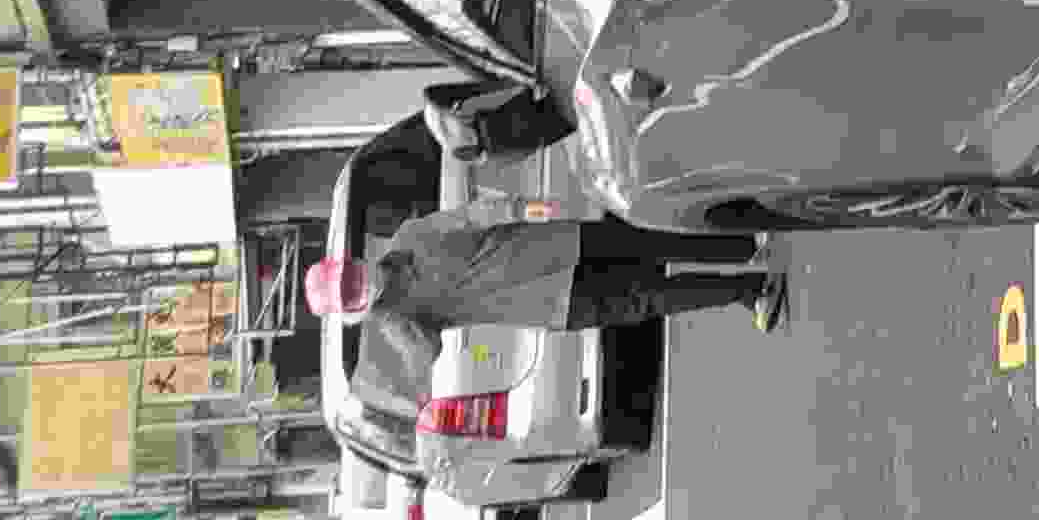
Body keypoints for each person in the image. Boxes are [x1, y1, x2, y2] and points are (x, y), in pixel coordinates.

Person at [315, 195, 786, 343]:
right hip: (555, 287)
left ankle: (746, 261)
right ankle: (748, 273)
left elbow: (477, 215)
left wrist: (533, 208)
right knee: (650, 284)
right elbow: (426, 358)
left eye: (352, 277)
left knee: (649, 257)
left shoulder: (411, 240)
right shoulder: (401, 315)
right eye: (353, 290)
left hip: (557, 266)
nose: (362, 282)